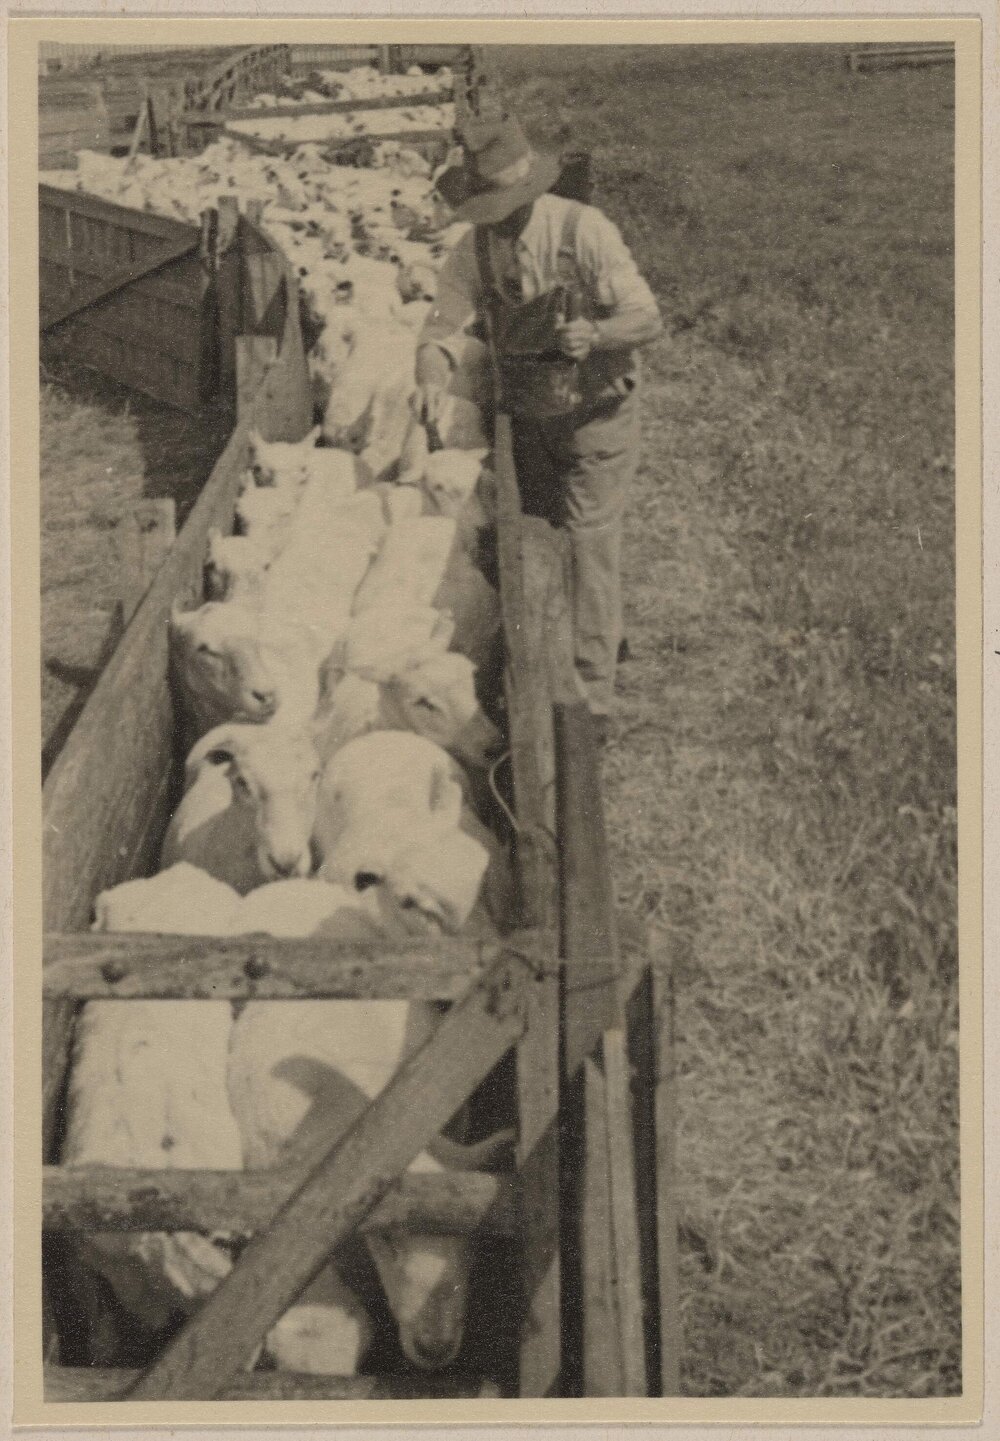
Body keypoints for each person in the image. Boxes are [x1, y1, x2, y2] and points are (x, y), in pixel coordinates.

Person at [415, 113, 662, 741]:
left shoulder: (584, 232)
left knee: (586, 540)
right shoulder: (474, 249)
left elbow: (645, 316)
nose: (494, 220)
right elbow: (443, 325)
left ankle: (592, 702)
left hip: (598, 411)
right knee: (544, 537)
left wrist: (597, 333)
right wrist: (429, 372)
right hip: (531, 419)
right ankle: (579, 647)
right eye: (483, 208)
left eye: (502, 206)